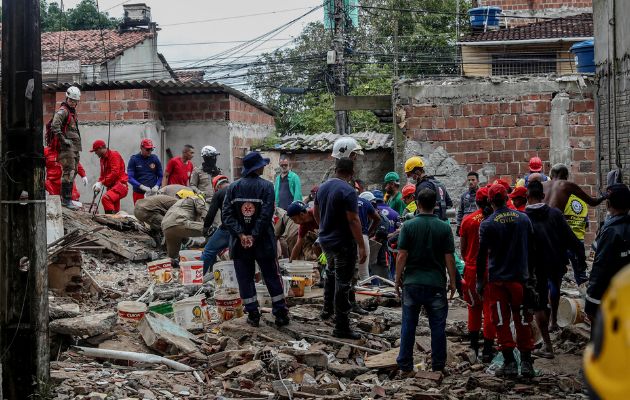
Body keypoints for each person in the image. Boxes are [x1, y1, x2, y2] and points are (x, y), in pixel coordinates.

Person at [222, 151, 290, 327]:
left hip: (239, 243)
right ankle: (281, 313)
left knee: (245, 278)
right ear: (257, 167)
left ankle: (252, 314)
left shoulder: (232, 188)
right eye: (262, 165)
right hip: (263, 241)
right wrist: (253, 234)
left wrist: (241, 234)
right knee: (272, 276)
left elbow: (227, 216)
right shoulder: (267, 187)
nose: (264, 167)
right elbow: (266, 215)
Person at [476, 183, 536, 378]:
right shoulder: (523, 219)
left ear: (491, 201)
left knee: (501, 320)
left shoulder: (488, 223)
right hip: (520, 278)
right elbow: (532, 250)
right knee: (523, 320)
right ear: (507, 198)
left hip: (498, 280)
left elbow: (481, 256)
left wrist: (479, 281)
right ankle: (526, 363)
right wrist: (531, 277)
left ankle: (510, 363)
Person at [395, 188, 457, 373]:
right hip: (436, 284)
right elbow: (449, 258)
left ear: (418, 203)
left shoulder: (409, 226)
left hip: (412, 283)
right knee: (437, 326)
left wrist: (397, 280)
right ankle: (438, 365)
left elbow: (401, 256)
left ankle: (405, 364)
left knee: (408, 324)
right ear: (436, 205)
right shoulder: (444, 227)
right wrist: (453, 282)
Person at [525, 180, 588, 359]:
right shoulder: (555, 214)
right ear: (543, 197)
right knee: (555, 289)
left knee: (538, 304)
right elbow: (572, 239)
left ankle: (547, 345)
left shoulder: (524, 218)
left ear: (527, 197)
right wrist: (580, 258)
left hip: (536, 267)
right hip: (556, 262)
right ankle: (553, 321)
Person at [314, 158, 367, 339]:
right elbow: (353, 220)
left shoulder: (322, 187)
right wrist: (361, 245)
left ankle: (327, 310)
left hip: (326, 240)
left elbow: (315, 211)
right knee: (343, 282)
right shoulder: (348, 191)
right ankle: (341, 326)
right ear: (351, 173)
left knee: (330, 273)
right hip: (343, 242)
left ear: (336, 169)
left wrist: (323, 229)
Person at [459, 186, 496, 363]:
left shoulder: (468, 221)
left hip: (472, 270)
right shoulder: (495, 219)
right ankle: (488, 350)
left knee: (473, 308)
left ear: (476, 201)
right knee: (490, 309)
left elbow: (463, 250)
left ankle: (473, 346)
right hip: (492, 270)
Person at [586, 183, 630, 322]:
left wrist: (591, 303)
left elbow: (600, 268)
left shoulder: (610, 231)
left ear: (608, 204)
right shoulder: (613, 227)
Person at [50, 86, 82, 209]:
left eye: (74, 101)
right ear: (67, 98)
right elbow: (55, 126)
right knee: (68, 171)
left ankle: (68, 199)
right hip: (67, 148)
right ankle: (66, 200)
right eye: (70, 100)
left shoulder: (72, 112)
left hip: (74, 147)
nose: (72, 102)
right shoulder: (63, 111)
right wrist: (64, 140)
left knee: (74, 170)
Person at [161, 189, 207, 266]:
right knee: (213, 230)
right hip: (180, 222)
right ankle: (211, 258)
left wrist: (200, 244)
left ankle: (172, 269)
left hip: (166, 227)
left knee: (173, 258)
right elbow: (205, 214)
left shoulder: (177, 204)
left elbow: (186, 240)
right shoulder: (197, 197)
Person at [404, 156, 453, 221]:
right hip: (442, 222)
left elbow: (421, 210)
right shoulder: (439, 184)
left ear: (418, 172)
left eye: (411, 175)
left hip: (428, 223)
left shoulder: (422, 186)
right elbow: (449, 204)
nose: (412, 178)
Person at [201, 175, 231, 276]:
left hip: (227, 229)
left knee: (209, 251)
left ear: (217, 187)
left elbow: (211, 214)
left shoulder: (219, 193)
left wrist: (205, 228)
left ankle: (198, 277)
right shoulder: (239, 189)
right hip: (244, 230)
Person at [90, 140, 129, 214]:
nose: (95, 153)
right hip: (112, 187)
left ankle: (111, 222)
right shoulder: (102, 159)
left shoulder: (114, 155)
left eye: (96, 150)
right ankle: (116, 223)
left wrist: (101, 182)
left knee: (106, 199)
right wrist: (98, 184)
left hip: (120, 186)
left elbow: (115, 173)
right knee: (115, 210)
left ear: (101, 148)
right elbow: (102, 175)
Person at [127, 138, 163, 204]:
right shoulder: (134, 159)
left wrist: (157, 186)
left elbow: (161, 176)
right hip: (138, 193)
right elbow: (129, 178)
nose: (149, 151)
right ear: (141, 148)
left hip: (152, 193)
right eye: (147, 149)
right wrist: (141, 186)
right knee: (140, 212)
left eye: (151, 149)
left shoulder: (155, 158)